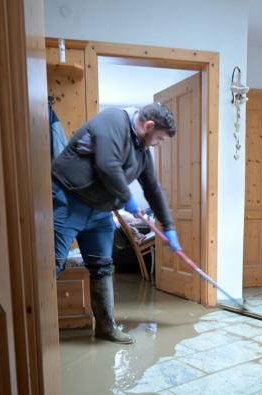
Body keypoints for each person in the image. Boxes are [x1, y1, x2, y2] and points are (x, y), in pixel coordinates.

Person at [51, 103, 181, 344]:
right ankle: (36, 329)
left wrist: (169, 226)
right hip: (69, 201)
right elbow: (107, 164)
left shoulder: (142, 152)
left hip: (100, 212)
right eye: (160, 138)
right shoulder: (113, 120)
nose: (158, 143)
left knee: (102, 266)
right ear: (149, 126)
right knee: (52, 265)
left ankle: (105, 327)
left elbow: (153, 189)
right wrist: (127, 199)